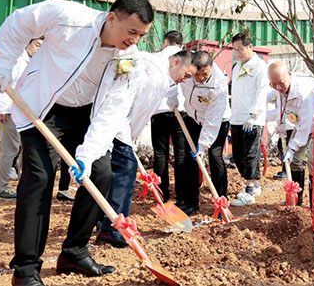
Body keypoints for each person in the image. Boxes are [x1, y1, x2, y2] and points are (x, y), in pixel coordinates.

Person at [0, 0, 155, 286]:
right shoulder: (68, 17)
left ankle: (74, 252)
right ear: (111, 18)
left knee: (101, 173)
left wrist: (88, 155)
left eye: (141, 35)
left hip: (85, 113)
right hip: (43, 106)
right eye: (132, 32)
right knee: (40, 178)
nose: (135, 40)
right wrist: (3, 63)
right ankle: (26, 269)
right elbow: (19, 23)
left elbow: (113, 109)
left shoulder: (130, 59)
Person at [92, 49, 199, 247]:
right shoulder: (156, 78)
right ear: (176, 62)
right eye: (186, 75)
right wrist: (127, 139)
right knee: (125, 169)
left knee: (107, 173)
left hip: (114, 125)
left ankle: (101, 221)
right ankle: (112, 228)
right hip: (115, 125)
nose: (185, 80)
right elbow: (131, 110)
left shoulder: (155, 67)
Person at [267, 61, 314, 206]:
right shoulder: (279, 88)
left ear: (289, 75)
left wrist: (291, 148)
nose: (278, 87)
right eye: (273, 84)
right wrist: (282, 125)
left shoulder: (303, 92)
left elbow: (305, 127)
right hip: (302, 121)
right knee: (295, 159)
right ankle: (296, 200)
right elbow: (284, 109)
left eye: (280, 83)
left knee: (313, 159)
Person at [0, 37, 44, 200]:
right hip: (9, 110)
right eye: (36, 44)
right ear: (27, 42)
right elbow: (2, 83)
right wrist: (2, 109)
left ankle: (22, 184)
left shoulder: (31, 60)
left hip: (23, 111)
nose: (38, 49)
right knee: (10, 148)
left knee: (22, 148)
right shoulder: (16, 59)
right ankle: (1, 188)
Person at [178, 51, 230, 214]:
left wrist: (203, 145)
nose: (201, 78)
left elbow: (213, 120)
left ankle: (221, 200)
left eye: (205, 74)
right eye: (197, 74)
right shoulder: (187, 74)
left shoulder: (219, 85)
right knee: (189, 159)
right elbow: (174, 82)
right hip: (193, 119)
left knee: (215, 157)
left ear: (212, 68)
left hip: (217, 122)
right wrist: (173, 99)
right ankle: (191, 201)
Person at [229, 33, 270, 207]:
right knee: (238, 156)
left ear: (250, 47)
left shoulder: (260, 66)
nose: (238, 53)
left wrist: (254, 114)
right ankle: (255, 185)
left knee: (251, 154)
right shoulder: (237, 67)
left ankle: (250, 192)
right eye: (235, 49)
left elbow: (262, 91)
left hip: (252, 118)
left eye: (240, 49)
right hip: (237, 117)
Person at [150, 31, 188, 205]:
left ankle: (162, 195)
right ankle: (182, 195)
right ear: (181, 44)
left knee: (160, 154)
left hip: (158, 110)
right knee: (180, 153)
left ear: (165, 42)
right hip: (179, 110)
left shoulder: (156, 57)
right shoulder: (186, 58)